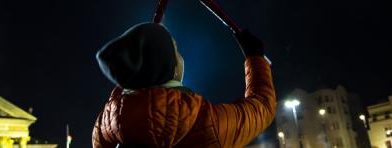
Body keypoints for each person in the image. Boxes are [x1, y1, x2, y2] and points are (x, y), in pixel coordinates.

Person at [92, 22, 275, 148]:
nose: (180, 57)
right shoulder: (206, 123)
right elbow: (262, 107)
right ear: (166, 65)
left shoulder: (105, 129)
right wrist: (255, 57)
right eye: (175, 50)